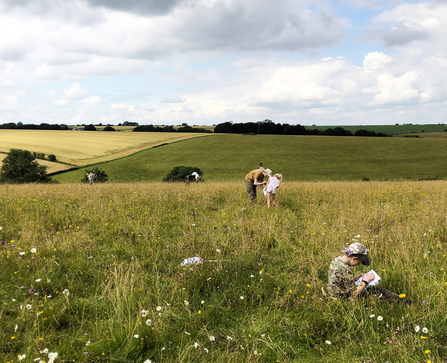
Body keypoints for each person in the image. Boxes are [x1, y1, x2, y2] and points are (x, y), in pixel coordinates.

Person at [327, 243, 404, 302]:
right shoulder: (346, 269)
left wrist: (355, 278)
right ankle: (403, 301)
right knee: (377, 290)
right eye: (359, 262)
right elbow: (354, 293)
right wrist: (366, 280)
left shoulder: (336, 260)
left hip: (334, 294)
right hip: (343, 298)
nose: (358, 264)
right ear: (354, 258)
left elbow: (340, 278)